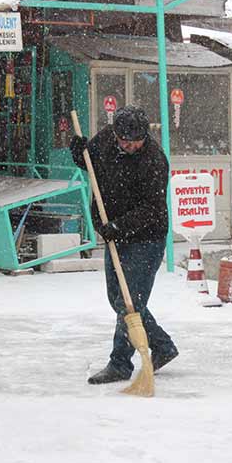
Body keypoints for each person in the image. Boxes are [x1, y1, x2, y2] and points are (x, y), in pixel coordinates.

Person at [70, 105, 178, 385]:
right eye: (123, 140)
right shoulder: (108, 138)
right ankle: (162, 346)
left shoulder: (154, 161)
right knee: (119, 299)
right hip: (114, 233)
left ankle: (120, 363)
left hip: (145, 238)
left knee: (131, 302)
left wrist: (119, 227)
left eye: (135, 141)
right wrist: (78, 151)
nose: (128, 145)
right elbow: (89, 164)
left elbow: (152, 209)